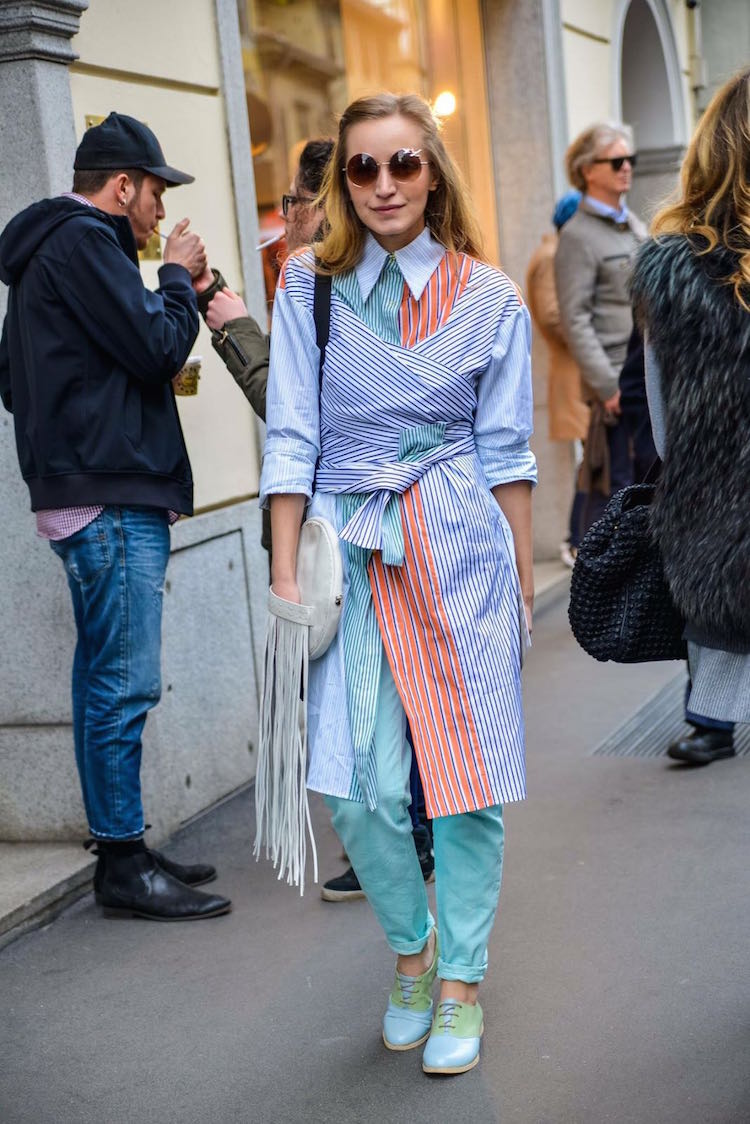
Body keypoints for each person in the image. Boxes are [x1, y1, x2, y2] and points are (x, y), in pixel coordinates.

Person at [260, 92, 536, 1075]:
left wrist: (518, 584)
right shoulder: (306, 289)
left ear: (433, 172)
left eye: (402, 165)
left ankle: (460, 975)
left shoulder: (490, 298)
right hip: (348, 537)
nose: (383, 185)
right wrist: (285, 570)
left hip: (458, 534)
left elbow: (507, 451)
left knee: (467, 779)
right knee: (363, 785)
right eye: (362, 168)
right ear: (342, 182)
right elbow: (290, 435)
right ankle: (412, 950)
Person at [0, 112, 231, 920]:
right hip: (109, 497)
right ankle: (125, 868)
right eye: (157, 192)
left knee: (104, 676)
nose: (162, 211)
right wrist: (175, 278)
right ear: (123, 185)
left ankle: (121, 843)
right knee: (123, 684)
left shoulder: (48, 252)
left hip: (85, 490)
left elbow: (19, 380)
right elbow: (157, 348)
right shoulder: (87, 243)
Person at [196, 137, 436, 898]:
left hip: (361, 531)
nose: (286, 218)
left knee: (376, 712)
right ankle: (400, 855)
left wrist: (235, 329)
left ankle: (404, 852)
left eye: (293, 205)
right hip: (347, 532)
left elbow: (305, 418)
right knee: (378, 711)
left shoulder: (335, 287)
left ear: (316, 205)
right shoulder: (310, 285)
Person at [631, 69, 750, 761]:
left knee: (718, 600)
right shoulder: (674, 268)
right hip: (717, 482)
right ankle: (709, 719)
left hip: (710, 482)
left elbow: (660, 396)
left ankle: (711, 720)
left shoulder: (675, 269)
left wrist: (686, 470)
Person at [555, 122, 647, 533]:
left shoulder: (636, 226)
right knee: (622, 493)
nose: (626, 167)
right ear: (588, 170)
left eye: (631, 159)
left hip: (647, 378)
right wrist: (607, 386)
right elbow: (574, 318)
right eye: (616, 161)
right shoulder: (577, 236)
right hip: (616, 390)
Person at [526, 190, 589, 565]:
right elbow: (552, 315)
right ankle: (575, 539)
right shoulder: (553, 257)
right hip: (576, 374)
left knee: (595, 460)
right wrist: (594, 334)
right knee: (594, 461)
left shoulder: (561, 253)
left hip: (580, 371)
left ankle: (579, 537)